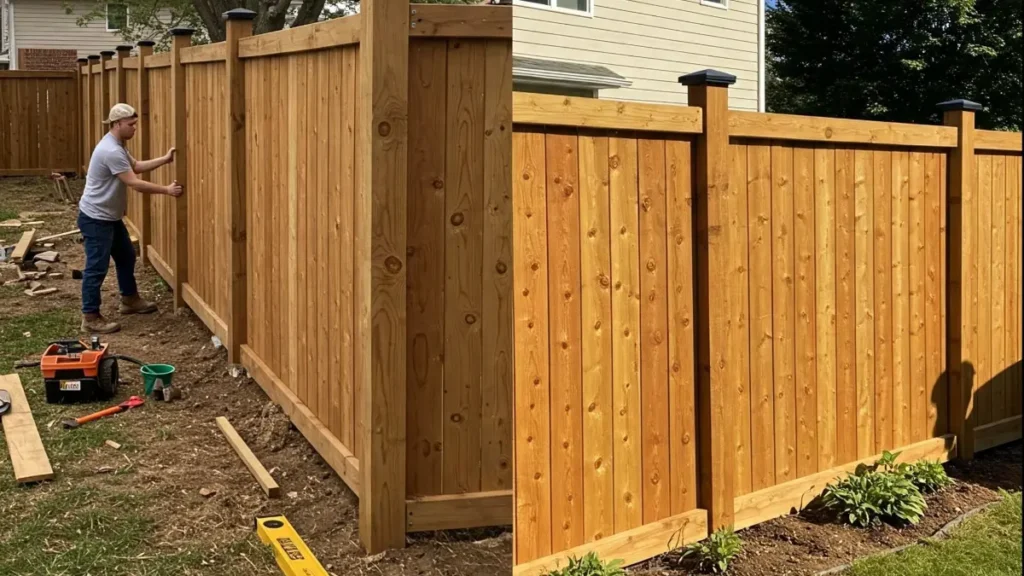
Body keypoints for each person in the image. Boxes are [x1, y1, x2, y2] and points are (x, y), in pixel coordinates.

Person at [78, 103, 184, 334]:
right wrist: (166, 190)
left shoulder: (117, 145)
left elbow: (135, 166)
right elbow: (134, 182)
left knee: (126, 256)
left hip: (109, 217)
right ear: (117, 124)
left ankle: (129, 300)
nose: (135, 128)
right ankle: (90, 316)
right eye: (131, 124)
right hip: (96, 218)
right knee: (96, 267)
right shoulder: (111, 150)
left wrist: (164, 160)